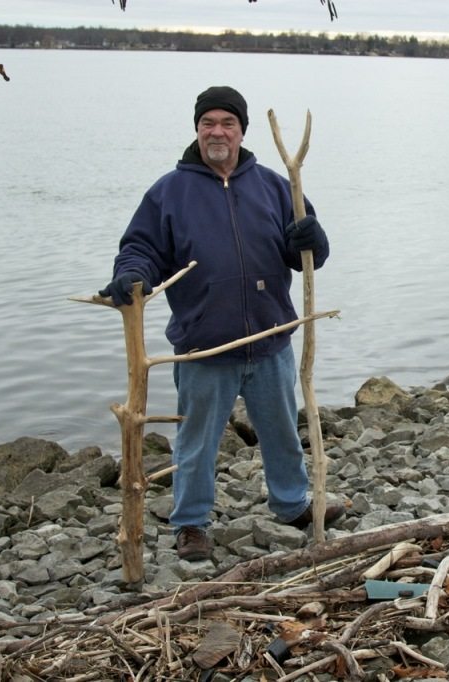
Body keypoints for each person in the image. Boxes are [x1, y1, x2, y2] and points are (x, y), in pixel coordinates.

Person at [100, 85, 345, 561]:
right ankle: (190, 523)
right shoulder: (170, 192)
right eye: (208, 122)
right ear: (197, 129)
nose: (217, 131)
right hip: (204, 347)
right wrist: (131, 276)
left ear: (241, 131)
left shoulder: (276, 185)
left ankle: (291, 503)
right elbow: (141, 249)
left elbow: (306, 254)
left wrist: (316, 238)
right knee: (196, 441)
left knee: (280, 430)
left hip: (270, 338)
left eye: (227, 123)